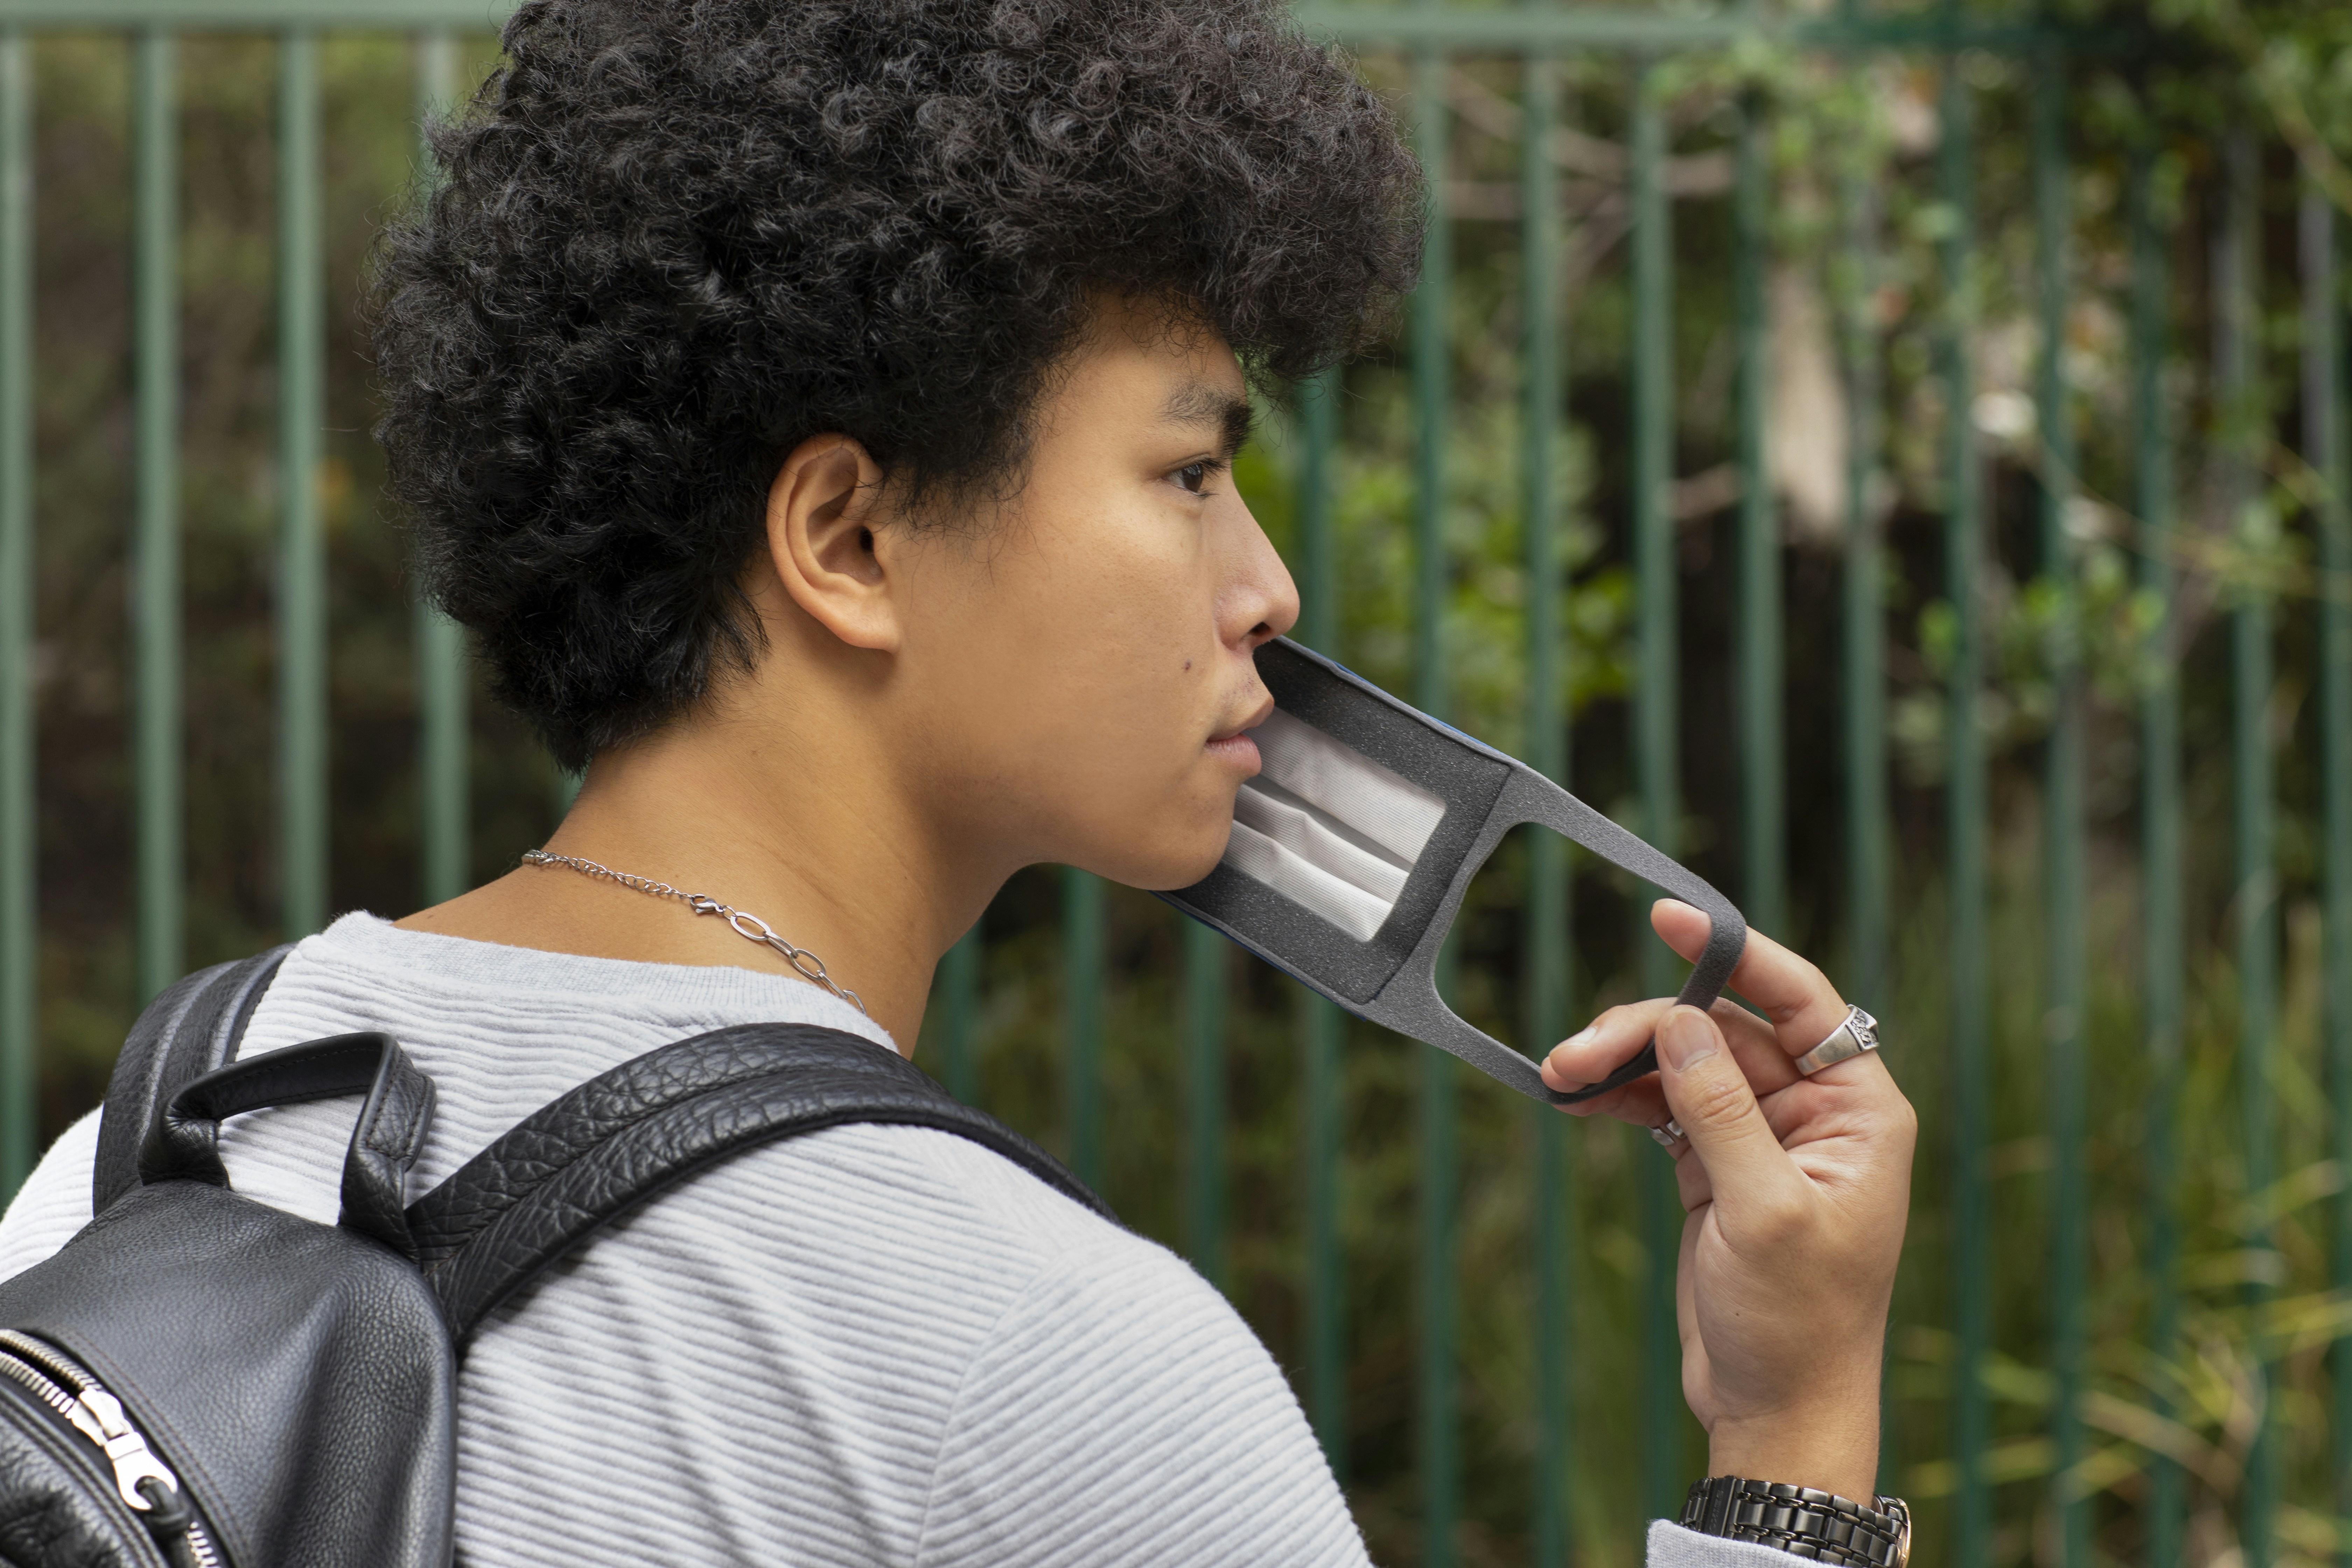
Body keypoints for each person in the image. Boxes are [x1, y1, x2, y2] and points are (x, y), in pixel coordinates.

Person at [0, 1, 1917, 1562]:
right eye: (1188, 471)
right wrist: (1792, 1431)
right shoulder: (1040, 1367)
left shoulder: (170, 1127)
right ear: (844, 537)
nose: (1270, 587)